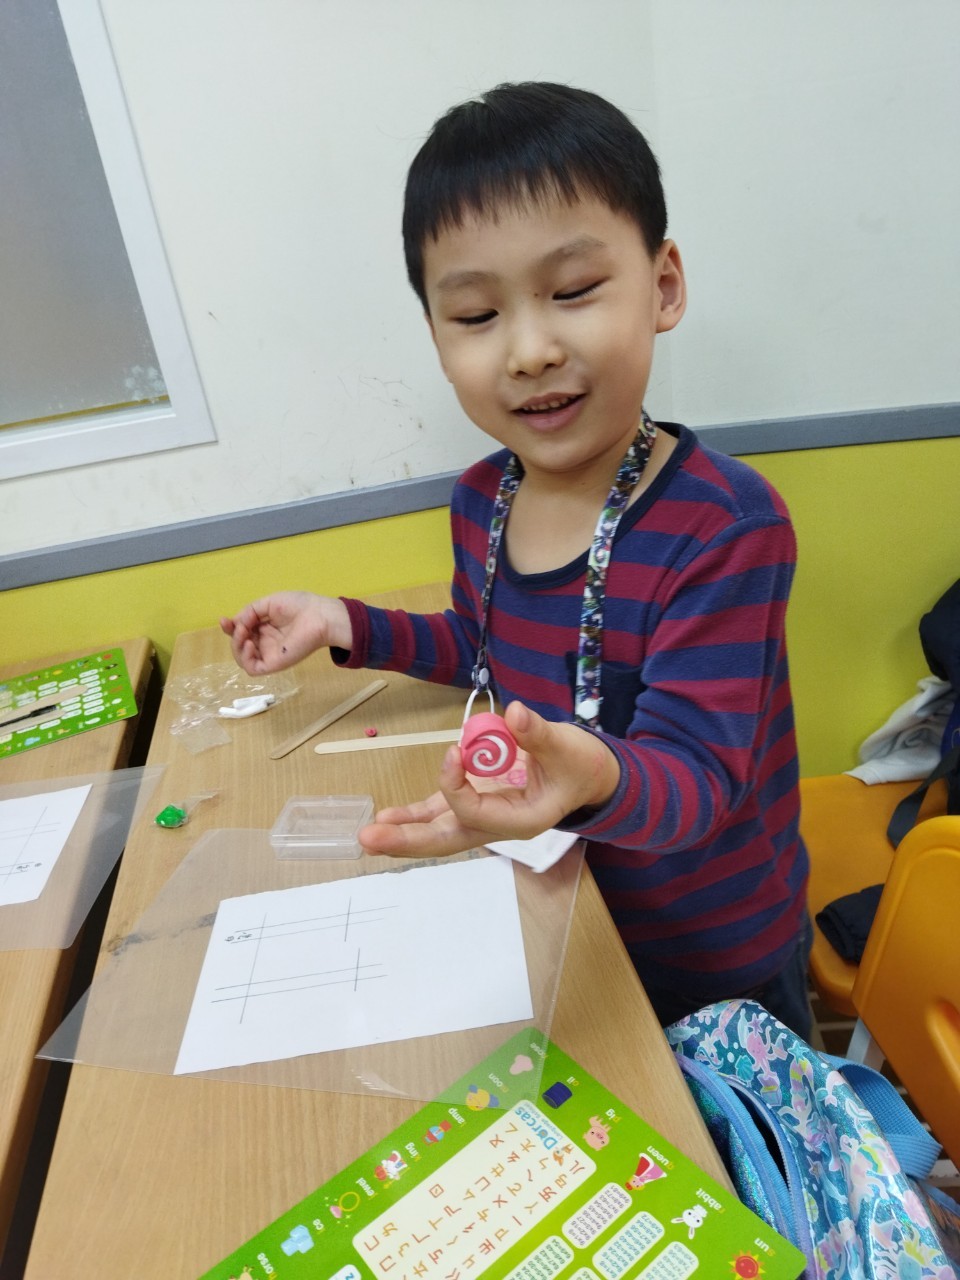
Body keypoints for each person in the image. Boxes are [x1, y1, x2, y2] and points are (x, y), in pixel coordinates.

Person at [222, 81, 812, 1038]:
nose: (530, 350)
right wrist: (341, 621)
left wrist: (589, 778)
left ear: (663, 286)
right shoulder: (481, 499)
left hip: (711, 953)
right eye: (475, 314)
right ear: (436, 335)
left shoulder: (725, 527)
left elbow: (701, 781)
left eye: (573, 293)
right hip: (565, 906)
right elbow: (482, 642)